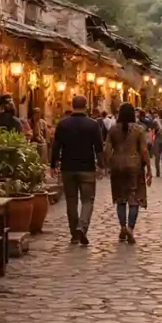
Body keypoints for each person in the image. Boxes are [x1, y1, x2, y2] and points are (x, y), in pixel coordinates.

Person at [50, 96, 105, 246]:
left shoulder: (63, 124)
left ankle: (74, 234)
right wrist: (101, 166)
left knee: (71, 201)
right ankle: (82, 226)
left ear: (72, 106)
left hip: (68, 168)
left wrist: (53, 164)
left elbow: (56, 146)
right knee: (88, 200)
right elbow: (99, 147)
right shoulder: (93, 125)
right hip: (87, 168)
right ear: (86, 106)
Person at [104, 103, 152, 244]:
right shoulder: (139, 129)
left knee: (120, 198)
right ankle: (130, 227)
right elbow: (144, 150)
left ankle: (123, 227)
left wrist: (108, 164)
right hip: (135, 165)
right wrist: (149, 168)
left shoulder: (113, 130)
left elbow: (107, 150)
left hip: (117, 165)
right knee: (134, 198)